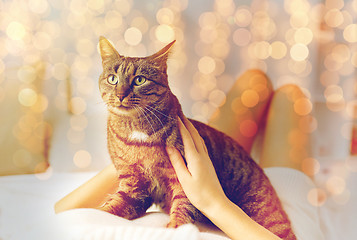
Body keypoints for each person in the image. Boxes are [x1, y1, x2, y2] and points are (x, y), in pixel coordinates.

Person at [55, 70, 323, 240]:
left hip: (195, 166)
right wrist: (213, 201)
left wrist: (137, 145)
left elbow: (63, 214)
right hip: (275, 208)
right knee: (289, 96)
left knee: (255, 82)